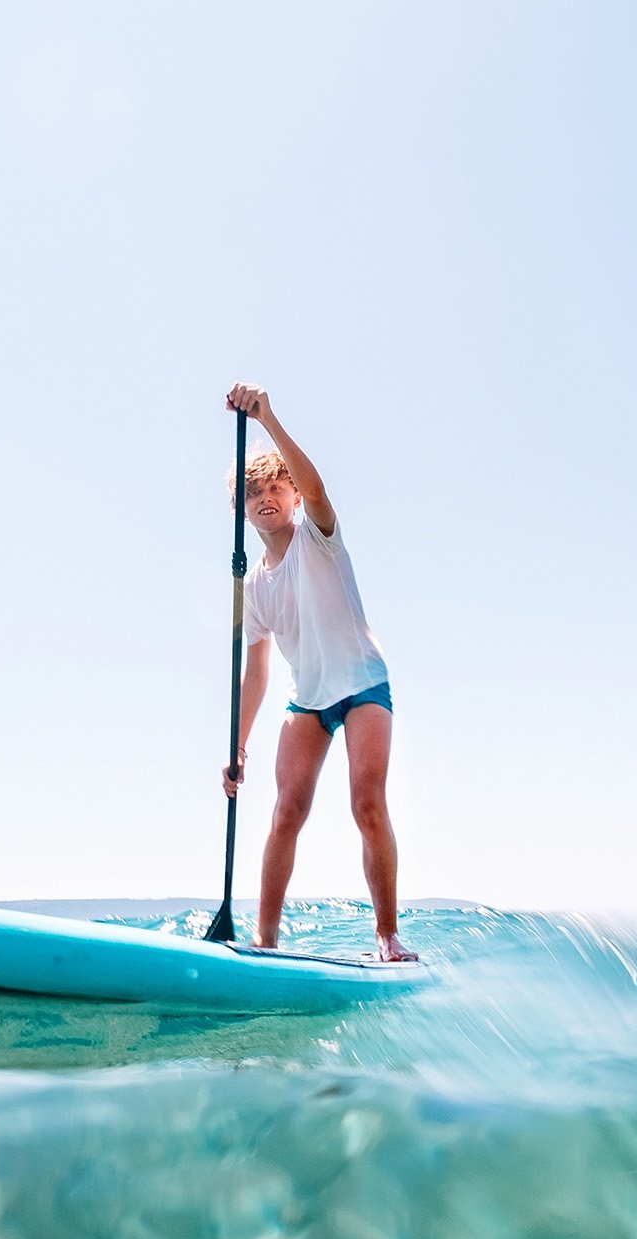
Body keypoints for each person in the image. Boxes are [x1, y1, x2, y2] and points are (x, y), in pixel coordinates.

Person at [219, 382, 417, 962]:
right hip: (305, 699)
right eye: (253, 493)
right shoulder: (250, 586)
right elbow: (254, 673)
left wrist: (267, 417)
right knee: (286, 810)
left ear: (294, 497)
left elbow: (318, 487)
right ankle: (265, 940)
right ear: (240, 509)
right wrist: (238, 746)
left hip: (362, 686)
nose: (267, 497)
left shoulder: (318, 537)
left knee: (367, 803)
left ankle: (387, 937)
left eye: (277, 487)